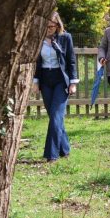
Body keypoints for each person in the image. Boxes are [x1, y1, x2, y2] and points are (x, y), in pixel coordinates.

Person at [33, 12, 79, 162]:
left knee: (56, 116)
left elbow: (71, 60)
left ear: (58, 25)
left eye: (51, 26)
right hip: (46, 79)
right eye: (46, 26)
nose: (48, 29)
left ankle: (51, 154)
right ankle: (65, 149)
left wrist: (73, 83)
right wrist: (35, 82)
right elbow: (37, 63)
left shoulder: (65, 38)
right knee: (54, 116)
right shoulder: (38, 39)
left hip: (61, 80)